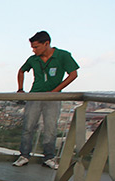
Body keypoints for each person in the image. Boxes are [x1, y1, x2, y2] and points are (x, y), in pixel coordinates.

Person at [13, 31, 79, 170]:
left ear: (46, 44)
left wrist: (55, 91)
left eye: (36, 47)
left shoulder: (62, 56)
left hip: (53, 98)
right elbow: (21, 70)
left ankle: (49, 157)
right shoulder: (33, 59)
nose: (33, 50)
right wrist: (20, 89)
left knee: (50, 128)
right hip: (35, 96)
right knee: (28, 127)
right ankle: (24, 155)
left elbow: (73, 74)